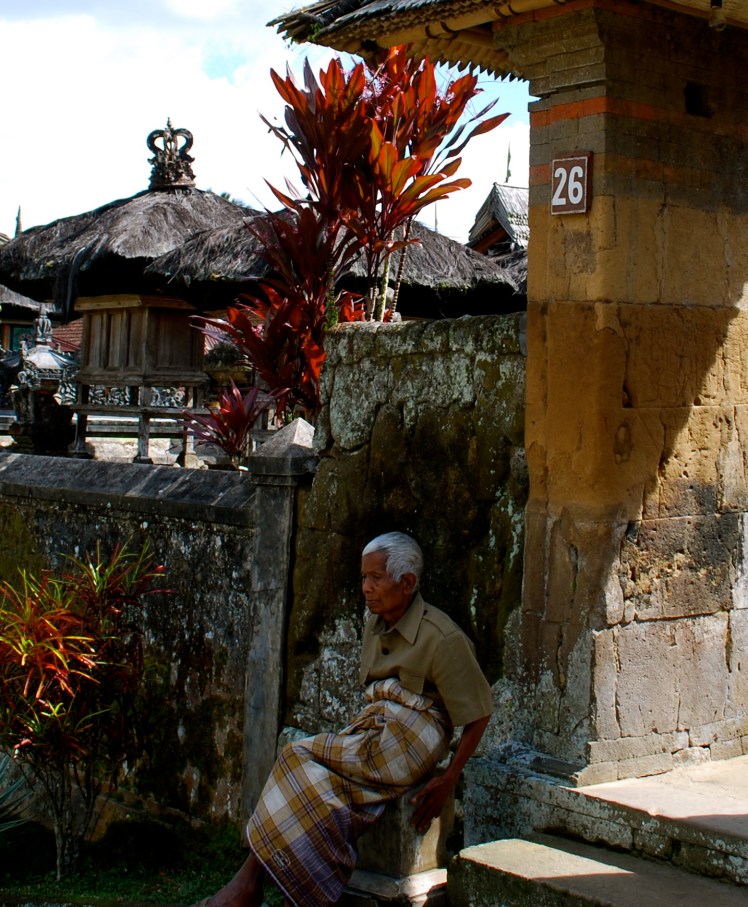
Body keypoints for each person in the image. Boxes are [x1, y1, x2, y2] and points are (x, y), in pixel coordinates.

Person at [199, 531, 493, 907]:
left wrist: (449, 777)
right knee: (319, 789)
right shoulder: (375, 624)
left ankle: (246, 886)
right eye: (363, 577)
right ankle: (289, 893)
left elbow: (479, 712)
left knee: (295, 757)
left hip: (413, 737)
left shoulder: (442, 636)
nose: (366, 588)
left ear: (407, 583)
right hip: (379, 728)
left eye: (376, 578)